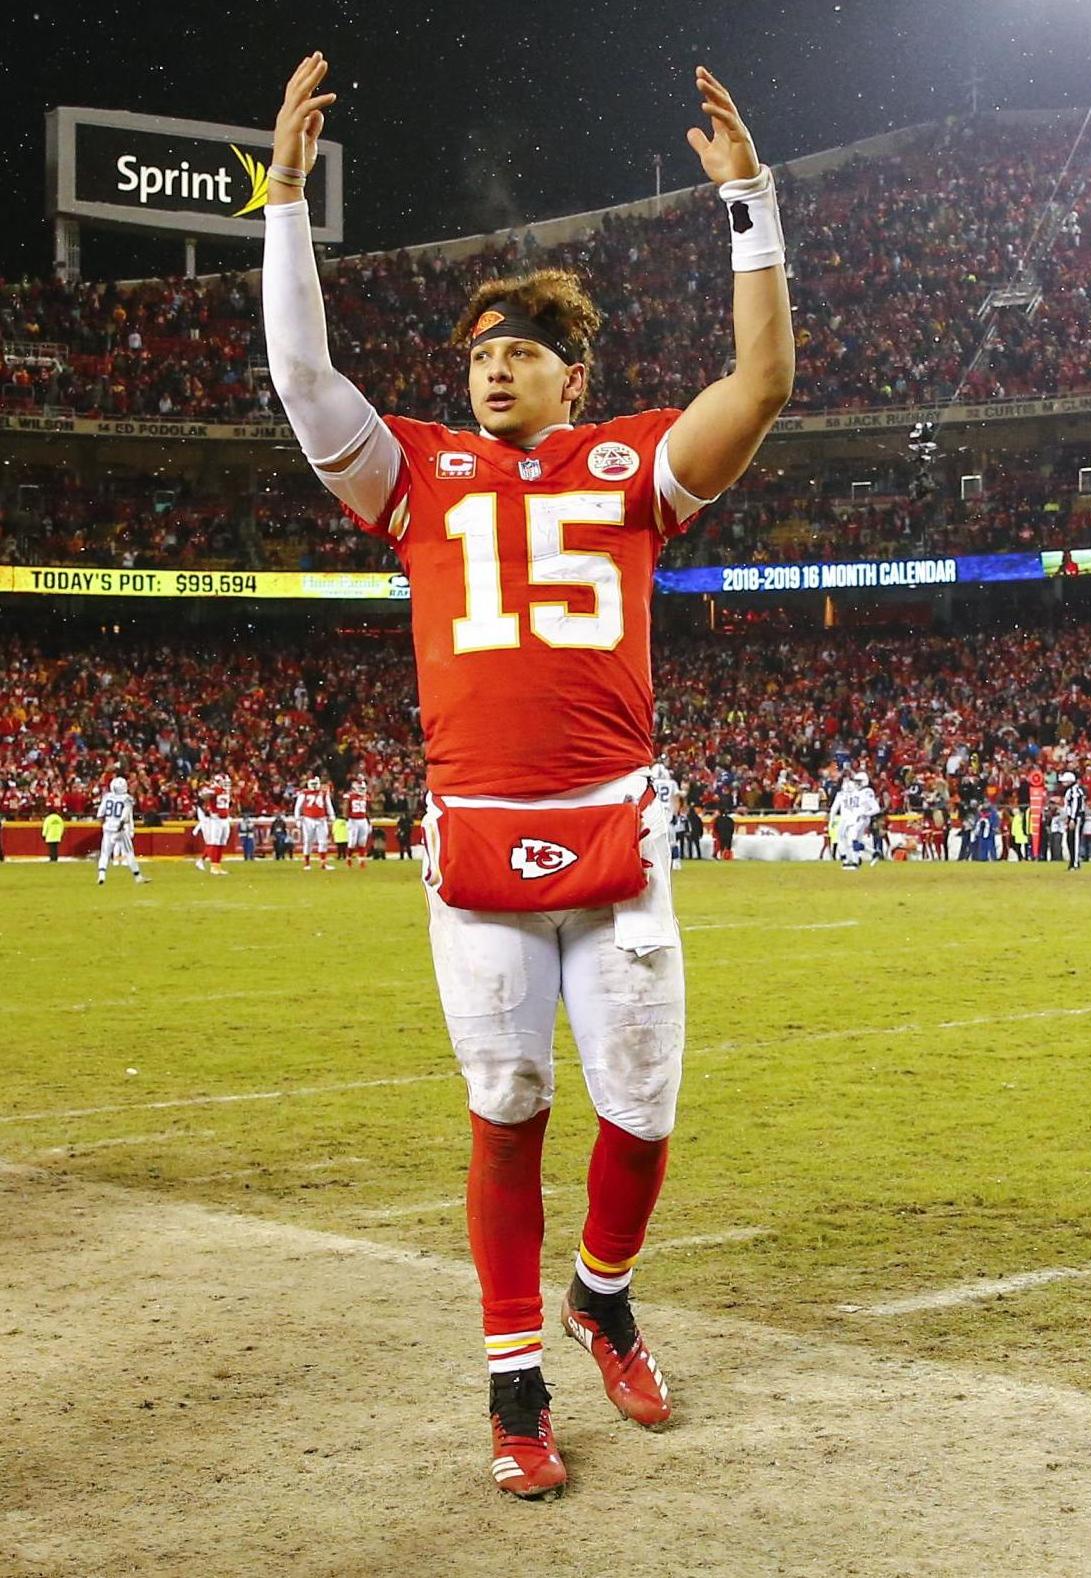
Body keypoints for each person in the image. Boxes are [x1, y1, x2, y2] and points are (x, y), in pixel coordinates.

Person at [260, 52, 793, 1498]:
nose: (491, 364)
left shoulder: (629, 469)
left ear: (574, 372)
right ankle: (513, 1388)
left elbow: (761, 380)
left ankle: (603, 1291)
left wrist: (749, 202)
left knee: (642, 1107)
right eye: (479, 350)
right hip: (482, 840)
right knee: (505, 1102)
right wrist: (287, 201)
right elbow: (303, 380)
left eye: (519, 349)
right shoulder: (416, 474)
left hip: (613, 828)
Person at [96, 773, 148, 886]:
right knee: (129, 852)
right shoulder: (127, 799)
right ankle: (137, 876)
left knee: (105, 853)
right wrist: (120, 826)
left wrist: (105, 825)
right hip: (119, 828)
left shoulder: (107, 797)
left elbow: (100, 814)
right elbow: (125, 816)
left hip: (108, 827)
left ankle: (101, 875)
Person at [294, 775, 335, 871]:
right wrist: (297, 819)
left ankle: (323, 863)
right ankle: (307, 863)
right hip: (308, 819)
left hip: (321, 819)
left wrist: (331, 815)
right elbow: (298, 807)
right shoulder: (304, 793)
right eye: (312, 784)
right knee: (308, 841)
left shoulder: (323, 793)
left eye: (315, 784)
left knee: (323, 841)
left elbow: (328, 804)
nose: (314, 786)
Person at [345, 775, 374, 868]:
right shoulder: (350, 796)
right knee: (352, 842)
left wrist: (369, 821)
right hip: (353, 820)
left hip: (363, 819)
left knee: (362, 841)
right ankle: (348, 858)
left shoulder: (366, 796)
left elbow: (368, 810)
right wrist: (347, 819)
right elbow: (346, 808)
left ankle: (361, 860)